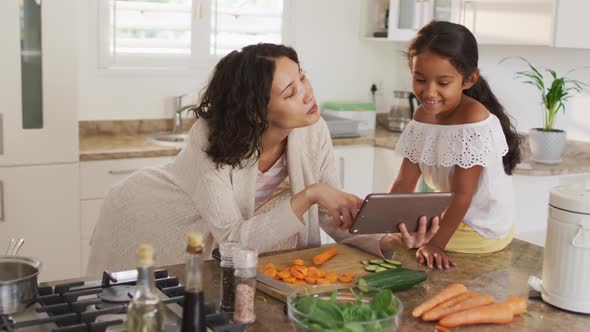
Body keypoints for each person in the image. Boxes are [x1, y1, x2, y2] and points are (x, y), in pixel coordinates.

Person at [87, 43, 438, 275]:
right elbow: (232, 241)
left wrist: (385, 241)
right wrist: (311, 194)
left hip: (230, 246)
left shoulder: (312, 128)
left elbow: (332, 217)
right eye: (291, 92)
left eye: (302, 77)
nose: (307, 94)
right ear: (257, 113)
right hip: (153, 216)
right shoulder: (209, 136)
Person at [390, 21, 522, 270]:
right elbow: (404, 181)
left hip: (481, 227)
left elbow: (463, 195)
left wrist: (436, 244)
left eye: (443, 83)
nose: (429, 92)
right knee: (395, 237)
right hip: (451, 215)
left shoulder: (473, 121)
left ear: (469, 79)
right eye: (420, 79)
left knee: (409, 246)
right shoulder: (421, 117)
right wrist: (382, 221)